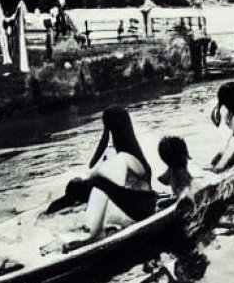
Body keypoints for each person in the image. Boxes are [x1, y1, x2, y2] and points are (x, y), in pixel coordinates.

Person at [47, 106, 155, 251]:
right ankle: (89, 229)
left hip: (139, 211)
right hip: (138, 207)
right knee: (95, 185)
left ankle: (89, 235)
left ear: (112, 131)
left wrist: (89, 178)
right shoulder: (131, 157)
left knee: (99, 186)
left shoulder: (125, 158)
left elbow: (98, 175)